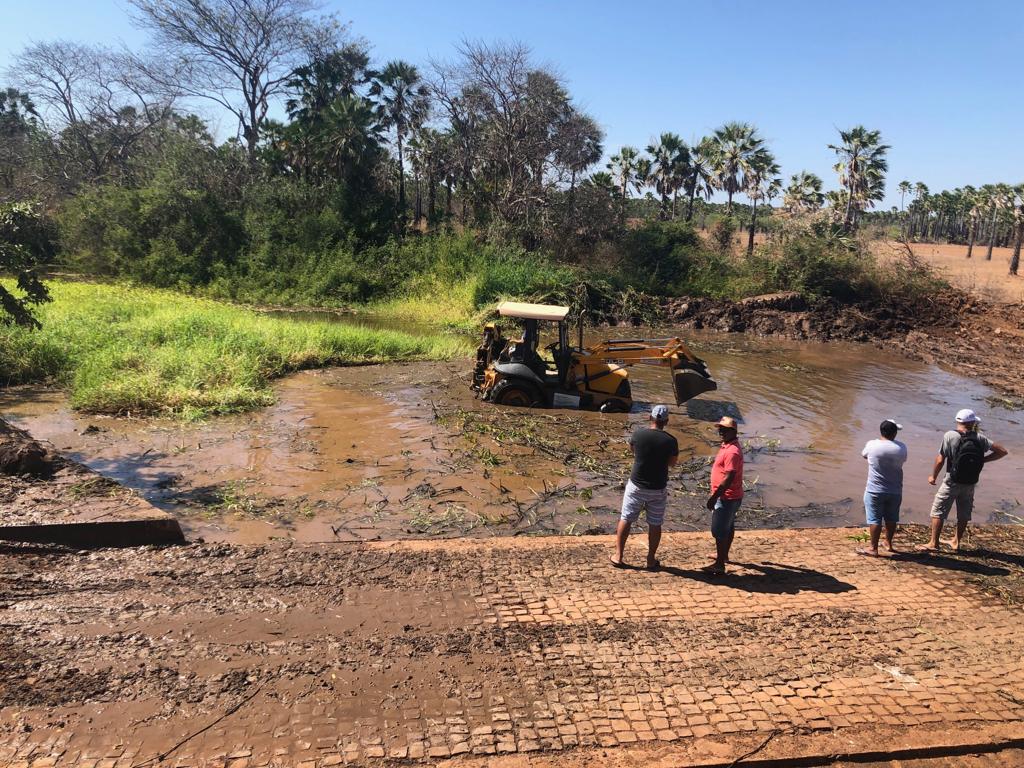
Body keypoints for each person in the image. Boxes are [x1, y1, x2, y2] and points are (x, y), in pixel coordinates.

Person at [919, 408, 1008, 553]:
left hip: (951, 479)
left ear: (957, 421)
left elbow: (941, 459)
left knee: (938, 510)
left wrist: (933, 476)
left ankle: (933, 543)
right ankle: (956, 541)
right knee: (964, 512)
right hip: (970, 481)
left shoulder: (950, 435)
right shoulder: (980, 438)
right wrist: (982, 460)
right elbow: (1002, 452)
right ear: (972, 422)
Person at [611, 404, 678, 571]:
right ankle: (650, 559)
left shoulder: (638, 434)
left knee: (626, 518)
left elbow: (633, 450)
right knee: (655, 524)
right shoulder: (671, 441)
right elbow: (672, 464)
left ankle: (618, 555)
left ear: (650, 418)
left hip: (636, 485)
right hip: (657, 488)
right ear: (666, 421)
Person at [857, 419, 908, 557]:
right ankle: (888, 543)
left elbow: (864, 455)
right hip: (895, 489)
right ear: (895, 433)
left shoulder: (872, 445)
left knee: (874, 519)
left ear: (881, 431)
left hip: (874, 489)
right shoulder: (902, 447)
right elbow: (903, 460)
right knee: (891, 518)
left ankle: (873, 548)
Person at [704, 416, 743, 575]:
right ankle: (723, 555)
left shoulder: (732, 451)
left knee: (719, 531)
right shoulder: (727, 445)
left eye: (724, 430)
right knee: (729, 526)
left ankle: (719, 565)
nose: (721, 432)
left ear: (733, 431)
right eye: (720, 429)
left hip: (726, 497)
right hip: (731, 496)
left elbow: (729, 476)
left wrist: (714, 497)